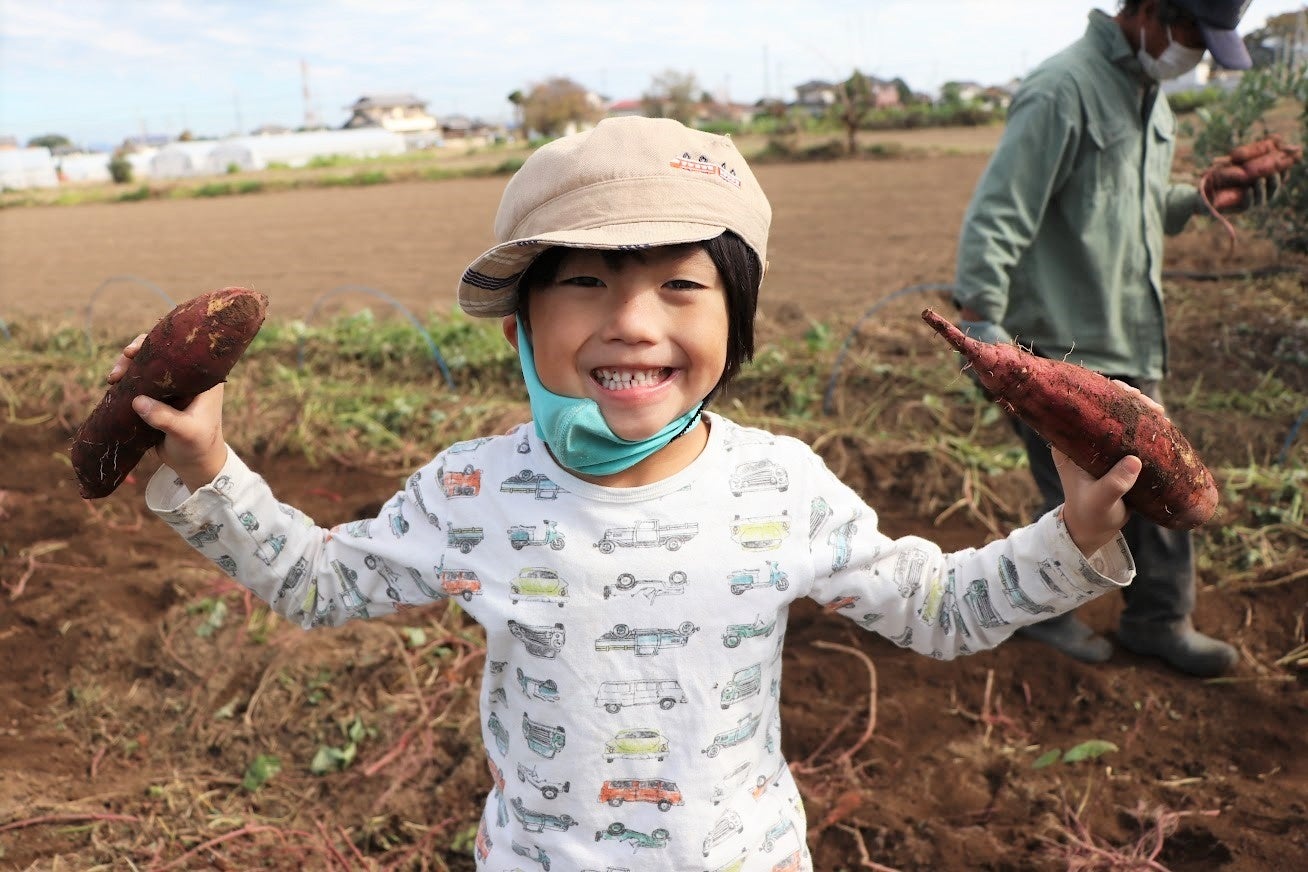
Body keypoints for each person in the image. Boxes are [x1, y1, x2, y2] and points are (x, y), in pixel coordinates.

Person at [117, 117, 1144, 871]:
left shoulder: (777, 485)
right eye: (586, 282)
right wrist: (210, 467)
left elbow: (938, 607)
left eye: (679, 285)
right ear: (520, 330)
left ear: (734, 329)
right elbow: (317, 582)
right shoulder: (475, 490)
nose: (633, 323)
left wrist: (1075, 531)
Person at [951, 0, 1285, 678]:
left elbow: (1132, 207)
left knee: (1161, 484)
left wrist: (1199, 196)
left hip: (1129, 335)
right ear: (1152, 11)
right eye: (1194, 33)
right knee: (1074, 499)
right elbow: (1000, 212)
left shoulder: (1150, 98)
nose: (1195, 53)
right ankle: (1046, 615)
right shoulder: (1062, 89)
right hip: (1061, 348)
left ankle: (1158, 620)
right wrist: (983, 323)